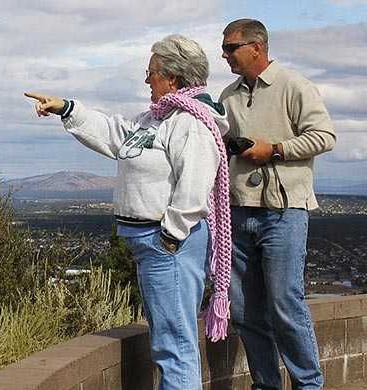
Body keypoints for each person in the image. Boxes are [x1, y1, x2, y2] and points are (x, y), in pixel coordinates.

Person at [25, 34, 232, 390]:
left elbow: (195, 186)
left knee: (175, 345)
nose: (146, 79)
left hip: (169, 248)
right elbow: (114, 132)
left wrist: (169, 235)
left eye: (151, 72)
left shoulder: (191, 123)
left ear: (173, 76)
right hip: (152, 245)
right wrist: (66, 107)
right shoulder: (154, 120)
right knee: (168, 338)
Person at [219, 19, 336, 389]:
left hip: (283, 212)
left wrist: (276, 150)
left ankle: (309, 384)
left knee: (285, 305)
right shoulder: (228, 96)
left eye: (230, 48)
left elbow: (324, 136)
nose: (225, 55)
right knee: (244, 311)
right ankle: (266, 384)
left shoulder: (294, 85)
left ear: (257, 46)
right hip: (239, 212)